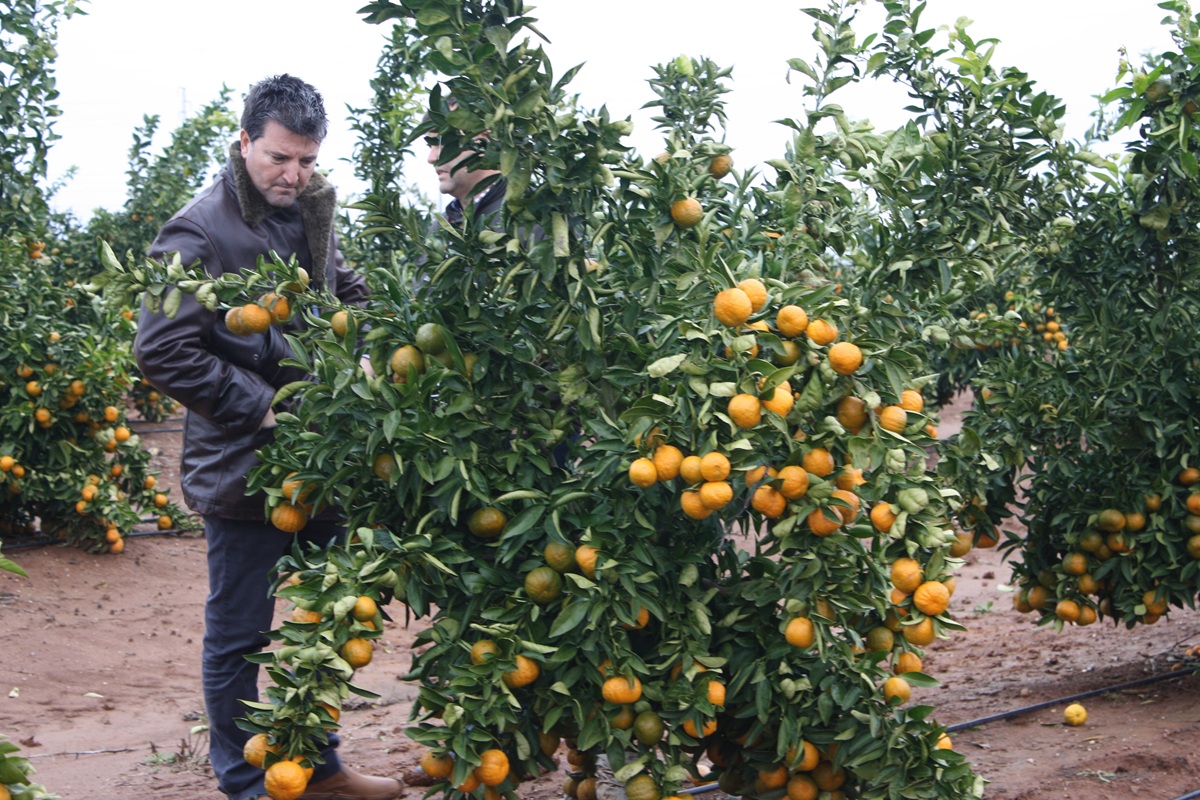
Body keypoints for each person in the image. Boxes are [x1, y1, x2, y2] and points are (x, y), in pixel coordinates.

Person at [135, 75, 401, 800]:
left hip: (322, 460)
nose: (294, 175)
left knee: (325, 618)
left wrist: (369, 341)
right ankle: (245, 783)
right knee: (240, 633)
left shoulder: (310, 212)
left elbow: (346, 291)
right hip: (245, 466)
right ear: (246, 140)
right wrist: (260, 407)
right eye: (280, 158)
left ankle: (319, 768)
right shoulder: (200, 228)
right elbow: (161, 350)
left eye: (307, 162)